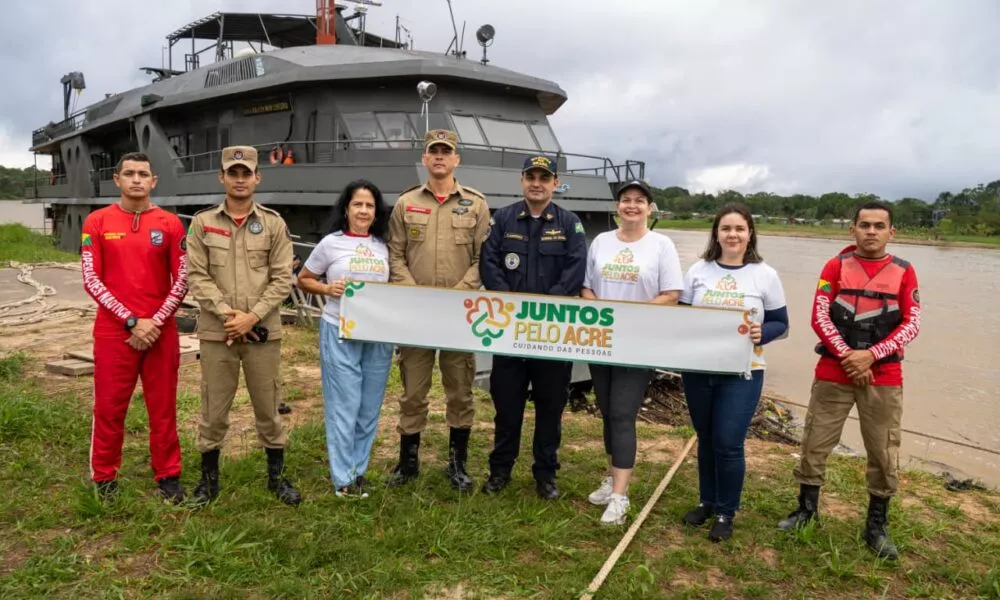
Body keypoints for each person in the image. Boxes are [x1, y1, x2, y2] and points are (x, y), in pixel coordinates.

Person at [777, 201, 920, 560]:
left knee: (883, 450)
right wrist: (848, 355)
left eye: (879, 226)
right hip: (833, 371)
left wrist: (871, 355)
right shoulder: (834, 266)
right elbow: (819, 316)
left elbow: (912, 323)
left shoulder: (905, 272)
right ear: (851, 229)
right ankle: (806, 511)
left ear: (892, 232)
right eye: (864, 225)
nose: (871, 232)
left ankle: (876, 525)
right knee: (815, 440)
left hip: (884, 375)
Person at [185, 145, 302, 506]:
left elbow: (283, 277)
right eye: (232, 173)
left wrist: (251, 316)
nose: (240, 179)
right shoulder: (203, 223)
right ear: (222, 177)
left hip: (262, 331)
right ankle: (209, 481)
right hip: (217, 333)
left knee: (268, 406)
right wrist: (227, 315)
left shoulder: (273, 223)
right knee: (214, 407)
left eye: (246, 173)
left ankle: (276, 478)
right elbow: (196, 275)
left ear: (257, 177)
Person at [386, 129, 491, 491]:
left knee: (459, 390)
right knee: (412, 391)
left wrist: (460, 294)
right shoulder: (406, 203)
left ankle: (457, 464)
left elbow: (482, 258)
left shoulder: (476, 204)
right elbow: (395, 254)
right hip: (416, 314)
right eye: (434, 152)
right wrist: (414, 294)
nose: (441, 157)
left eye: (447, 152)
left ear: (456, 159)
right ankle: (407, 463)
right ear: (426, 159)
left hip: (458, 314)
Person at [81, 152, 188, 503]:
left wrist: (154, 321)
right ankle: (104, 476)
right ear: (117, 180)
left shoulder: (171, 224)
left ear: (154, 180)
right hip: (114, 332)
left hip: (161, 331)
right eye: (129, 174)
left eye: (144, 173)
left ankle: (168, 474)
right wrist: (130, 320)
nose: (137, 180)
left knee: (163, 407)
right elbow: (91, 278)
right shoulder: (96, 222)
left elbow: (183, 278)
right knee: (109, 407)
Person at [478, 155, 587, 500]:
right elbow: (489, 262)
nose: (537, 183)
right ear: (522, 180)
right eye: (531, 177)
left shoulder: (570, 224)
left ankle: (545, 474)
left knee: (550, 408)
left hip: (551, 333)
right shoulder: (503, 219)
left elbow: (575, 268)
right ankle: (500, 470)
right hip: (510, 330)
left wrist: (544, 308)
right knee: (506, 406)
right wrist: (511, 304)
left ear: (555, 183)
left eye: (544, 177)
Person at [678, 203, 789, 542]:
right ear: (716, 233)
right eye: (726, 228)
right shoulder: (698, 270)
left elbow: (781, 324)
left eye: (739, 229)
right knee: (707, 437)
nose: (732, 235)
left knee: (728, 442)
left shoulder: (764, 274)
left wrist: (762, 333)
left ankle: (727, 511)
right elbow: (680, 318)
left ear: (750, 233)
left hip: (744, 372)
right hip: (698, 369)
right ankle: (707, 501)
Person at [581, 179, 684, 524]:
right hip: (602, 340)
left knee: (624, 414)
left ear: (650, 208)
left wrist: (631, 318)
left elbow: (671, 294)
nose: (632, 205)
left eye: (640, 201)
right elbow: (587, 288)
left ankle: (620, 497)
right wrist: (604, 314)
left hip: (638, 342)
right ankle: (611, 477)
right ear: (617, 207)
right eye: (626, 200)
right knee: (608, 412)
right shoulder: (601, 241)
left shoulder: (661, 245)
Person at [297, 180, 394, 498]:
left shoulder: (383, 245)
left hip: (377, 335)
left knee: (369, 407)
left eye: (369, 205)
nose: (364, 210)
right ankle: (343, 478)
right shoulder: (331, 243)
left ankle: (359, 470)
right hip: (339, 330)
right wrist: (327, 289)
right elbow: (304, 279)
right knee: (345, 405)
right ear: (347, 209)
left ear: (376, 211)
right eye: (358, 204)